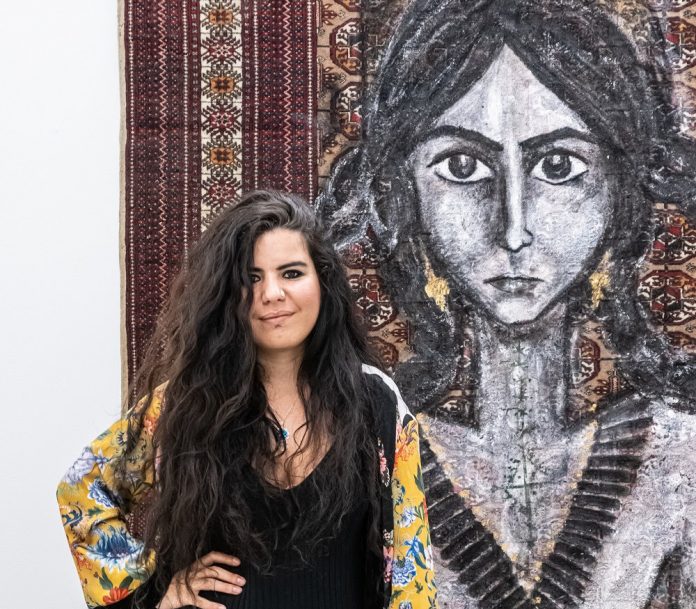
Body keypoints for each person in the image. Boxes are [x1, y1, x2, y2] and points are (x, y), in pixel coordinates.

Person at [318, 0, 696, 607]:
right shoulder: (370, 451)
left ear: (620, 193)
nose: (513, 230)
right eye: (463, 165)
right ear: (404, 191)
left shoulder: (679, 457)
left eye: (558, 165)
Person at [57, 190, 437, 609]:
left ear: (323, 281)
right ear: (226, 293)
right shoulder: (185, 404)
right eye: (251, 278)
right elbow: (81, 490)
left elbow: (412, 570)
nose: (272, 293)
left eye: (291, 273)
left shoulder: (377, 403)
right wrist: (155, 590)